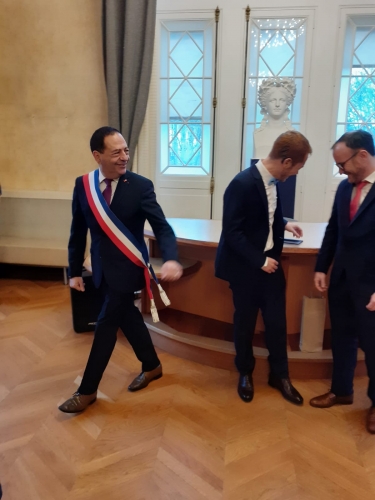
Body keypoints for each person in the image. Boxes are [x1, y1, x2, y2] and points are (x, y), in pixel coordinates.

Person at [59, 126, 182, 413]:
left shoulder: (140, 186)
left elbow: (162, 227)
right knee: (127, 315)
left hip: (128, 269)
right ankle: (152, 365)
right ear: (97, 155)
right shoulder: (83, 185)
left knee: (105, 325)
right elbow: (78, 230)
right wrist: (75, 270)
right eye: (116, 152)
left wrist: (172, 257)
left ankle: (87, 390)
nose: (124, 157)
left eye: (126, 150)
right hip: (101, 268)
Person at [215, 130, 312, 404]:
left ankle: (279, 375)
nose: (295, 174)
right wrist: (259, 260)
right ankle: (245, 372)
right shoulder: (241, 183)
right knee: (244, 324)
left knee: (277, 324)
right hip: (246, 269)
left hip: (271, 266)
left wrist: (284, 223)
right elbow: (232, 232)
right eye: (297, 168)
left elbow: (264, 216)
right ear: (286, 161)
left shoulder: (273, 181)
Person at [310, 129, 375, 434]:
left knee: (373, 346)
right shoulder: (343, 189)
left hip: (371, 285)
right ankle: (342, 390)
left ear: (362, 155)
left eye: (343, 164)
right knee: (342, 337)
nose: (340, 170)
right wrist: (322, 267)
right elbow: (333, 231)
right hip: (342, 280)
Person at [253, 77, 297, 159]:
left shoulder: (292, 135)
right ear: (265, 104)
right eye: (273, 100)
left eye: (282, 100)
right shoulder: (257, 133)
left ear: (287, 104)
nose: (277, 104)